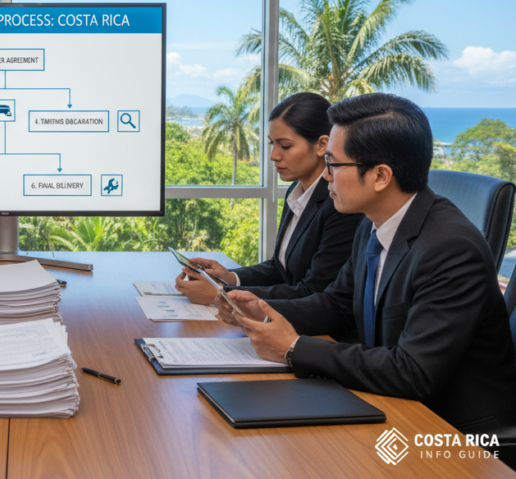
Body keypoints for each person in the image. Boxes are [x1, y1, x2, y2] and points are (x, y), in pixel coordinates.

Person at [217, 93, 516, 432]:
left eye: (334, 164)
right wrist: (262, 308)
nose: (326, 176)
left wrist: (293, 347)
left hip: (452, 431)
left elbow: (413, 371)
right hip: (391, 403)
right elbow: (338, 304)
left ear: (380, 176)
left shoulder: (450, 249)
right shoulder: (372, 224)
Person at [176, 92, 363, 304]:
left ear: (322, 145)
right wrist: (231, 278)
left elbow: (313, 290)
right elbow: (280, 268)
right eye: (272, 144)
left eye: (285, 146)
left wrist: (224, 294)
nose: (274, 155)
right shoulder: (296, 190)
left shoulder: (340, 204)